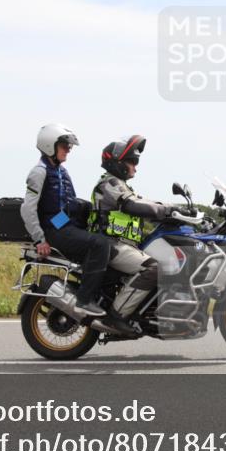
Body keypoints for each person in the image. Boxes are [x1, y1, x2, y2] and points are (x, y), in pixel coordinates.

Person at [20, 123, 127, 330]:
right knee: (100, 244)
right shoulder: (40, 172)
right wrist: (40, 239)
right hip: (53, 231)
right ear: (50, 145)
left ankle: (104, 298)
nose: (68, 150)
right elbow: (28, 209)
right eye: (64, 146)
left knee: (110, 244)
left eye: (69, 146)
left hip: (63, 225)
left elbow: (69, 205)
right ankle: (84, 300)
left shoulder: (60, 171)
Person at [90, 134, 187, 325]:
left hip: (124, 244)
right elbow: (132, 205)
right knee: (153, 269)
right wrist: (169, 210)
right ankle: (116, 317)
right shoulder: (109, 183)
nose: (135, 167)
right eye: (132, 161)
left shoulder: (121, 186)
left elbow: (144, 202)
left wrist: (175, 208)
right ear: (118, 162)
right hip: (111, 244)